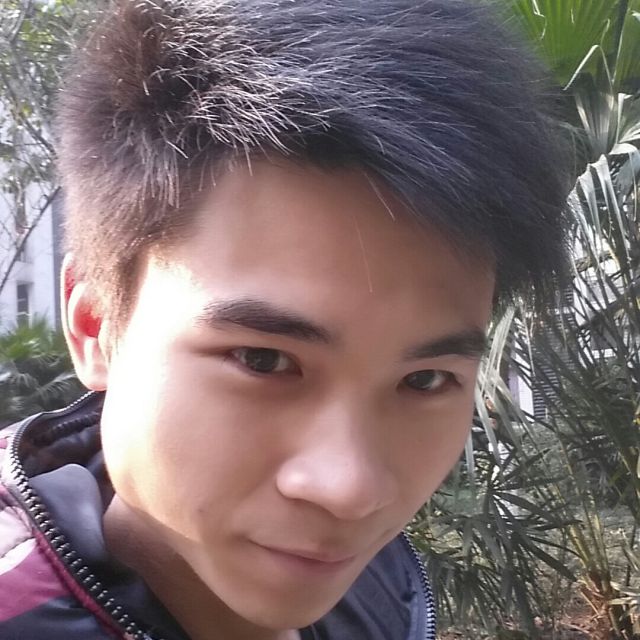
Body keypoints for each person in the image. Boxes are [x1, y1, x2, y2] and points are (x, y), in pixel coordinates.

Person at [0, 0, 570, 638]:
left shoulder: (378, 592)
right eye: (264, 360)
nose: (350, 491)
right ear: (95, 324)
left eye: (426, 379)